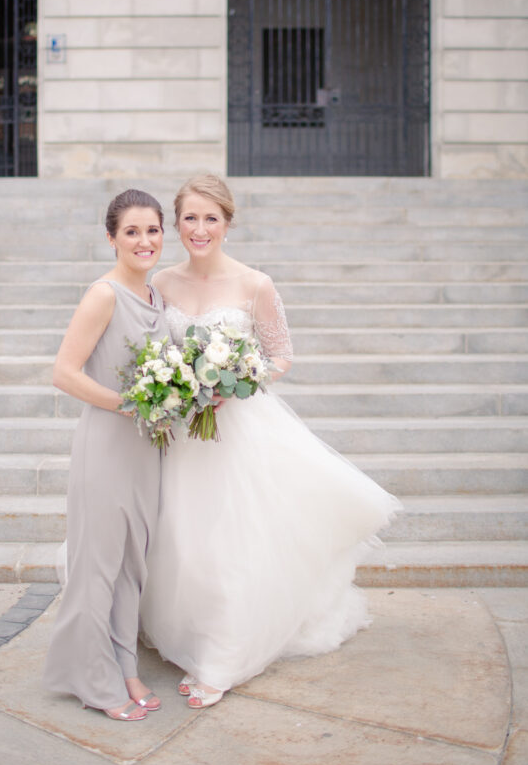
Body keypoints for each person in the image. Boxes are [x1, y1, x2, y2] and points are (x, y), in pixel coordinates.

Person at [140, 175, 400, 709]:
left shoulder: (255, 284)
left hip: (238, 428)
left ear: (228, 223)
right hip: (183, 431)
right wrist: (173, 383)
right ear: (176, 223)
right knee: (185, 541)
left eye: (212, 218)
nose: (200, 228)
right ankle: (186, 633)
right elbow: (148, 352)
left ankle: (221, 659)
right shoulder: (160, 283)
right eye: (190, 217)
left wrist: (236, 380)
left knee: (233, 543)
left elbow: (281, 354)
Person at [43, 189, 169, 722]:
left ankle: (124, 666)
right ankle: (91, 680)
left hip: (146, 448)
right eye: (132, 232)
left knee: (131, 566)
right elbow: (64, 373)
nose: (145, 241)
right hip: (107, 443)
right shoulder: (104, 295)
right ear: (112, 238)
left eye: (153, 230)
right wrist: (129, 405)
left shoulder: (157, 297)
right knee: (95, 566)